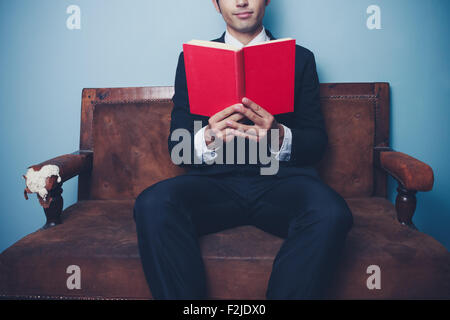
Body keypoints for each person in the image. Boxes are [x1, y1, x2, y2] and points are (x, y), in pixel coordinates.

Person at [133, 0, 353, 299]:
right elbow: (177, 148)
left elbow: (316, 144)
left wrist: (278, 135)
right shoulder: (191, 60)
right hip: (212, 185)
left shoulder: (300, 59)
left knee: (331, 212)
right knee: (152, 203)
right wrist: (208, 136)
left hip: (281, 183)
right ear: (215, 4)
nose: (241, 2)